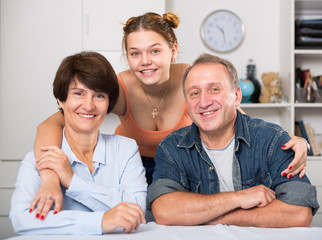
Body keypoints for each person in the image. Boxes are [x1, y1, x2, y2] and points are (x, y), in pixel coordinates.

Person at [32, 12, 308, 218]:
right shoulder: (119, 87)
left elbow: (235, 117)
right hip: (132, 169)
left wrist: (292, 141)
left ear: (173, 50)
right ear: (127, 56)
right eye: (135, 53)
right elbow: (58, 119)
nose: (145, 61)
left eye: (155, 50)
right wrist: (49, 177)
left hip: (183, 169)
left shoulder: (193, 80)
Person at [147, 53, 319, 227]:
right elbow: (163, 211)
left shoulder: (272, 140)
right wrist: (238, 198)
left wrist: (208, 217)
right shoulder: (172, 148)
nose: (204, 102)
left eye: (214, 89)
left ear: (236, 96)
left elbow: (299, 212)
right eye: (194, 93)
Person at [9, 52, 147, 235]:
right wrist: (100, 221)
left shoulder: (126, 149)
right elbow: (22, 219)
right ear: (61, 99)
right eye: (78, 94)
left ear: (109, 103)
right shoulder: (41, 158)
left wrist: (73, 182)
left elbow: (137, 211)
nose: (89, 106)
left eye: (99, 96)